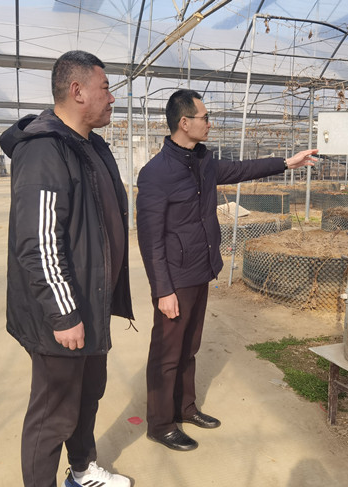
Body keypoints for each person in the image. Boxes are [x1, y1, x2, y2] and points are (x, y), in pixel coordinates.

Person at [136, 88, 317, 451]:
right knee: (167, 353)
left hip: (200, 269)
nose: (210, 123)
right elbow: (150, 239)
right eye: (204, 118)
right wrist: (163, 290)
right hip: (175, 277)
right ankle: (160, 423)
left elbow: (242, 169)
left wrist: (287, 162)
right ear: (184, 123)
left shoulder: (202, 161)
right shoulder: (156, 173)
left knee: (189, 346)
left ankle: (185, 407)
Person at [0, 50, 134, 487]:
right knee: (53, 413)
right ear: (77, 91)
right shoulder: (44, 149)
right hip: (62, 310)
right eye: (105, 88)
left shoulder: (89, 145)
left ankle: (82, 470)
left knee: (87, 394)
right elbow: (37, 242)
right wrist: (64, 313)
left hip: (90, 302)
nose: (112, 97)